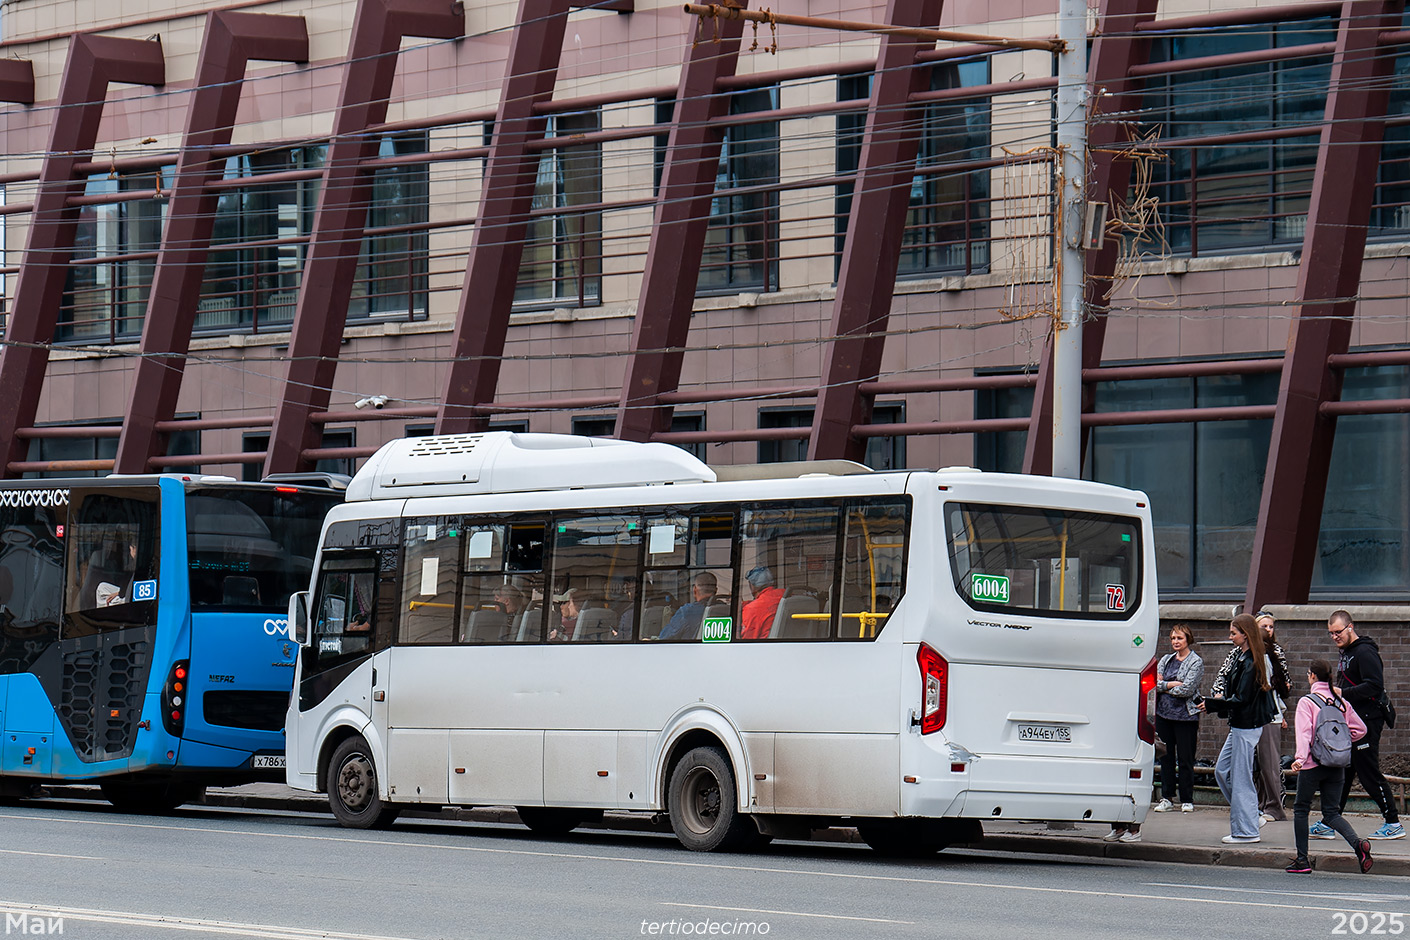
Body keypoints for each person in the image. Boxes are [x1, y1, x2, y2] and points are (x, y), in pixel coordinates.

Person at [1287, 659, 1372, 874]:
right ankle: (1358, 845)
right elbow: (1360, 729)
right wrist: (1340, 743)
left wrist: (1299, 758)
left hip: (1312, 763)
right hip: (1337, 764)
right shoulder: (1341, 702)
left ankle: (1302, 860)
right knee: (1332, 813)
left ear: (1313, 676)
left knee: (1301, 810)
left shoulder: (1308, 702)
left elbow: (1305, 734)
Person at [1199, 613, 1276, 844]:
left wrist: (1213, 703)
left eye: (1234, 633)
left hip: (1246, 725)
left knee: (1241, 778)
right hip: (1242, 724)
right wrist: (1218, 702)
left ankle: (1246, 831)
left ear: (1245, 634)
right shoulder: (1244, 657)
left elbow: (1242, 698)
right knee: (1222, 770)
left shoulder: (1251, 661)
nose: (1230, 636)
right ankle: (1252, 817)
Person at [1326, 609, 1403, 840]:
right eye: (1330, 633)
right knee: (1344, 771)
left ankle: (1393, 822)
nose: (1334, 637)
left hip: (1368, 720)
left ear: (1350, 627)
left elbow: (1375, 686)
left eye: (1338, 631)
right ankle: (1330, 820)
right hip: (1353, 721)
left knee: (1368, 772)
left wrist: (1343, 693)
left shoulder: (1365, 651)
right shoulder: (1346, 652)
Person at [1152, 623, 1203, 814]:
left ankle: (1187, 799)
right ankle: (1167, 797)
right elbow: (1154, 684)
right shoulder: (1166, 659)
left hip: (1185, 717)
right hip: (1164, 714)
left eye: (1179, 638)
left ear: (1188, 639)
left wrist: (1164, 685)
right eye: (1173, 638)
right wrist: (1170, 684)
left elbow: (1187, 689)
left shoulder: (1195, 662)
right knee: (1165, 757)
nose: (1175, 641)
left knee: (1185, 758)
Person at [1254, 611, 1291, 823]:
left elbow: (1279, 686)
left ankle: (1274, 807)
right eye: (1263, 627)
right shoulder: (1251, 653)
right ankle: (1261, 804)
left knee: (1269, 764)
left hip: (1269, 715)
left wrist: (1280, 710)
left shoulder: (1271, 653)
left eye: (1270, 626)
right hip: (1259, 716)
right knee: (1258, 764)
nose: (1268, 630)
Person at [658, 572, 717, 641]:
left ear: (695, 589)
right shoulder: (726, 609)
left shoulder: (687, 612)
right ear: (716, 590)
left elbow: (665, 637)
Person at [740, 567, 784, 640]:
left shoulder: (752, 609)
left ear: (752, 586)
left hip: (764, 648)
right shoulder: (784, 595)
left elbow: (747, 639)